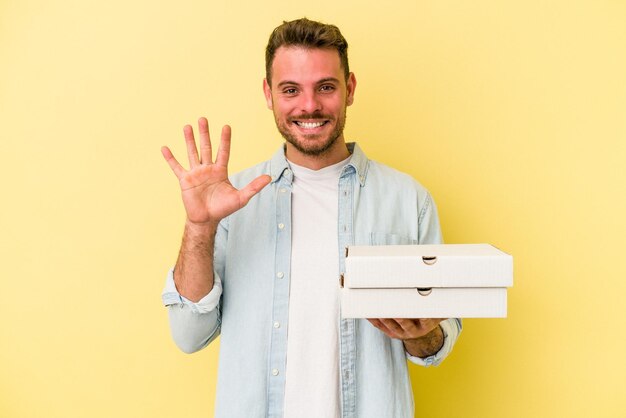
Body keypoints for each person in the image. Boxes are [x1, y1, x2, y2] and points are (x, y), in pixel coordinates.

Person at [161, 17, 462, 418]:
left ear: (349, 89)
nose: (309, 105)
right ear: (269, 94)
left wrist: (423, 335)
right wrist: (200, 226)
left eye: (325, 87)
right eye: (291, 90)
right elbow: (188, 335)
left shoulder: (409, 200)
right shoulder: (231, 203)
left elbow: (440, 341)